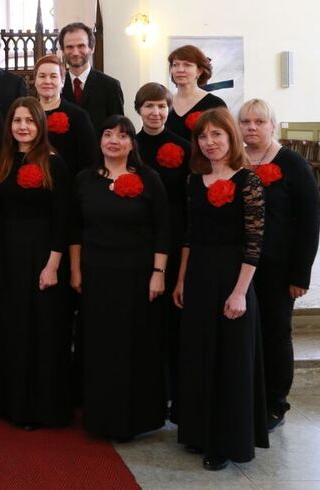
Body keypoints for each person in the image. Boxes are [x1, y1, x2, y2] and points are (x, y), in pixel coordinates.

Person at [174, 108, 268, 471]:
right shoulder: (194, 180)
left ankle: (226, 443)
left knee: (230, 361)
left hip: (232, 278)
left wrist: (240, 291)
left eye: (217, 134)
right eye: (203, 136)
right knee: (198, 354)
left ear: (231, 136)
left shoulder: (248, 181)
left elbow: (254, 243)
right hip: (199, 276)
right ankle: (198, 432)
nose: (209, 142)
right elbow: (189, 235)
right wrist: (181, 280)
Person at [69, 115, 170, 442]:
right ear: (99, 141)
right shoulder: (85, 179)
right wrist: (75, 270)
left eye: (122, 136)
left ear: (132, 143)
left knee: (134, 346)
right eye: (108, 134)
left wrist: (158, 273)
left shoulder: (149, 178)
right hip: (96, 274)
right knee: (100, 346)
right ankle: (100, 417)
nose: (114, 140)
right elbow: (74, 229)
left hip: (138, 275)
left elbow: (163, 229)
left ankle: (135, 419)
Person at [0, 97, 73, 429]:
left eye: (29, 121)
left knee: (41, 331)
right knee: (13, 328)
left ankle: (40, 408)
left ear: (41, 125)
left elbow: (63, 220)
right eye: (17, 120)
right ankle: (13, 403)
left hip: (42, 256)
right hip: (9, 257)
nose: (22, 126)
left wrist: (52, 265)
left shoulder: (54, 163)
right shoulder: (5, 160)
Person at [239, 98, 320, 431]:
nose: (251, 128)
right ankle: (248, 396)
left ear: (273, 125)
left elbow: (310, 222)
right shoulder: (235, 159)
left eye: (259, 122)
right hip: (241, 266)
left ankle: (276, 401)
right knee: (246, 333)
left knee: (275, 333)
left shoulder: (293, 164)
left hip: (278, 267)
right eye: (245, 122)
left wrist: (301, 274)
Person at [133, 82, 191, 420]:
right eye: (149, 106)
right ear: (138, 110)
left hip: (175, 235)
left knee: (174, 318)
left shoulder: (184, 147)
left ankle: (175, 392)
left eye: (161, 106)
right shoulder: (130, 145)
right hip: (141, 239)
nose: (155, 113)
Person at [33, 54, 97, 177]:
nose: (47, 81)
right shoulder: (28, 114)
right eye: (42, 76)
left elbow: (88, 160)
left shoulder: (78, 116)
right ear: (35, 81)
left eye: (53, 76)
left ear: (62, 81)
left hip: (68, 181)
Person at [59, 22, 124, 131]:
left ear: (92, 48)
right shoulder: (57, 86)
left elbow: (118, 129)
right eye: (69, 47)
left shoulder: (110, 86)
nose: (75, 52)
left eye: (81, 46)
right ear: (63, 50)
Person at [165, 44, 227, 140]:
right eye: (175, 65)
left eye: (187, 65)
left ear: (200, 71)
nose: (180, 70)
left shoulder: (215, 104)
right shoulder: (164, 103)